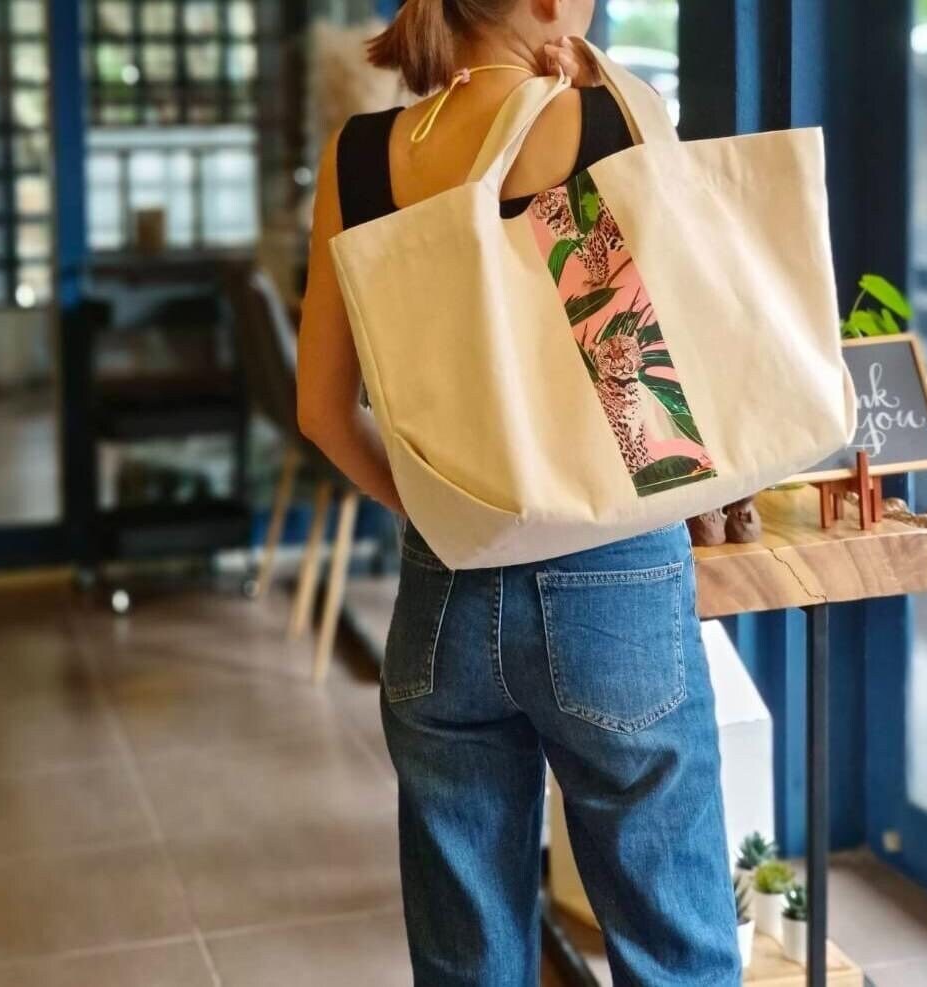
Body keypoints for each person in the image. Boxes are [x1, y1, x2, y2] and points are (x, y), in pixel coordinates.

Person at [297, 1, 742, 983]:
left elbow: (322, 412)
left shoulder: (360, 156)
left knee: (468, 960)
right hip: (613, 581)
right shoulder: (607, 116)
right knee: (674, 952)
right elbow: (650, 383)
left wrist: (448, 512)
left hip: (444, 588)